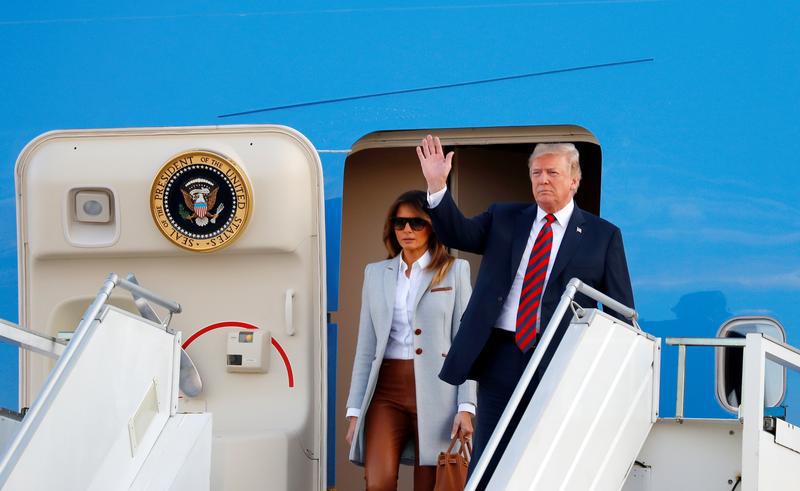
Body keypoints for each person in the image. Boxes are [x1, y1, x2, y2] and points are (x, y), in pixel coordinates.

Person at [416, 135, 634, 482]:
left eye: (552, 173)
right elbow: (459, 234)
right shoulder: (505, 216)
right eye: (536, 173)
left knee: (548, 453)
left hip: (559, 359)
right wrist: (437, 185)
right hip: (501, 353)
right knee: (489, 454)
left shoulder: (602, 235)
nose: (543, 180)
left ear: (574, 180)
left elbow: (622, 313)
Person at [345, 190, 478, 491]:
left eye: (417, 223)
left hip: (439, 392)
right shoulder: (376, 273)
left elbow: (464, 342)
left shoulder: (455, 271)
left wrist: (466, 405)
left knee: (430, 484)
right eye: (400, 222)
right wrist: (354, 412)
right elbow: (366, 346)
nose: (407, 230)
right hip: (385, 391)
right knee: (377, 481)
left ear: (433, 227)